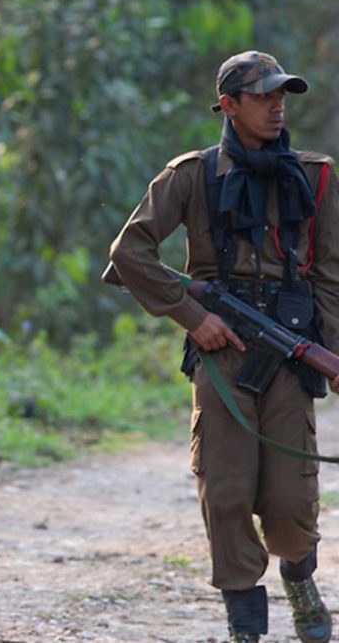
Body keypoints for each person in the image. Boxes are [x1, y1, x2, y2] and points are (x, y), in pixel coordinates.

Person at [108, 50, 339, 643]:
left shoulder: (316, 176)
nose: (277, 105)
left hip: (292, 351)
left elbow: (331, 277)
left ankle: (299, 574)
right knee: (228, 489)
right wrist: (190, 316)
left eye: (281, 94)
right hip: (222, 349)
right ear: (229, 106)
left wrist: (333, 355)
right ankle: (244, 627)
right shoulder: (192, 175)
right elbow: (129, 253)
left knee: (291, 497)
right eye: (262, 96)